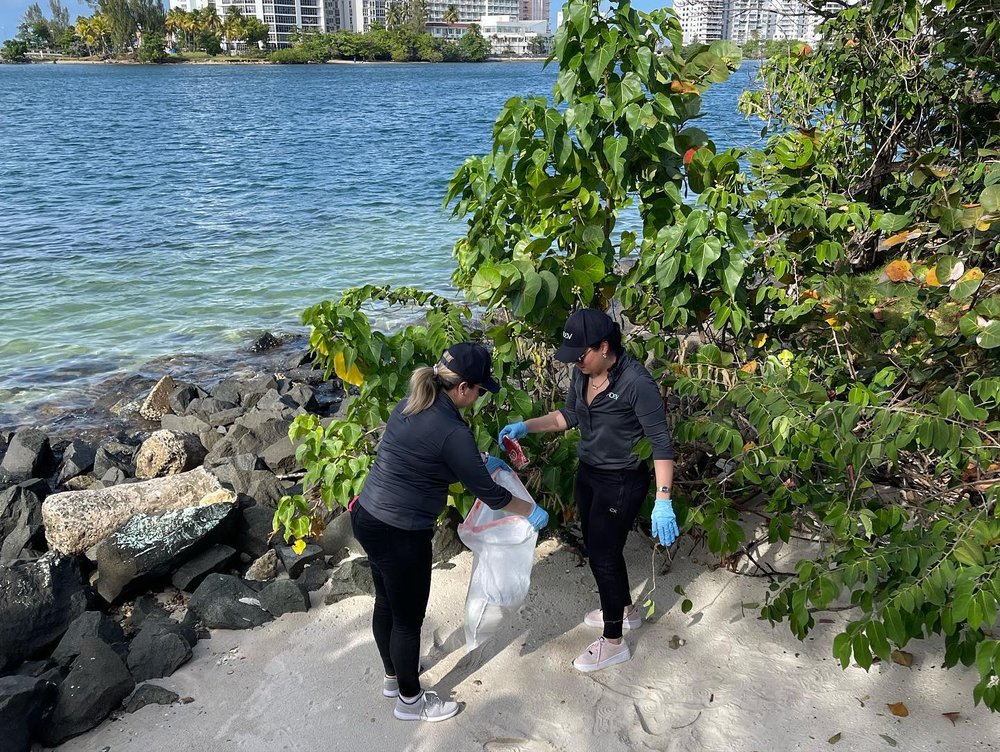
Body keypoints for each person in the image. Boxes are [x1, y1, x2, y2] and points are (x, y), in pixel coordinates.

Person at [351, 342, 548, 723]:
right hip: (402, 533)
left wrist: (477, 460)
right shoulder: (452, 430)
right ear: (462, 389)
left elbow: (427, 455)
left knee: (386, 603)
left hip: (369, 517)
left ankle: (394, 678)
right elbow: (490, 494)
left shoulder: (410, 404)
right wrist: (531, 510)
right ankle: (410, 701)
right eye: (478, 390)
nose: (477, 398)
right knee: (408, 621)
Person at [499, 309, 679, 672]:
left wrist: (663, 499)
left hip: (623, 481)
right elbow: (568, 417)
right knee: (602, 549)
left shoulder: (636, 383)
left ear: (604, 347)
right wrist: (525, 426)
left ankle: (614, 642)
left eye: (581, 355)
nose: (576, 363)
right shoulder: (582, 374)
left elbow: (661, 443)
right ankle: (625, 611)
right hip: (590, 474)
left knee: (602, 555)